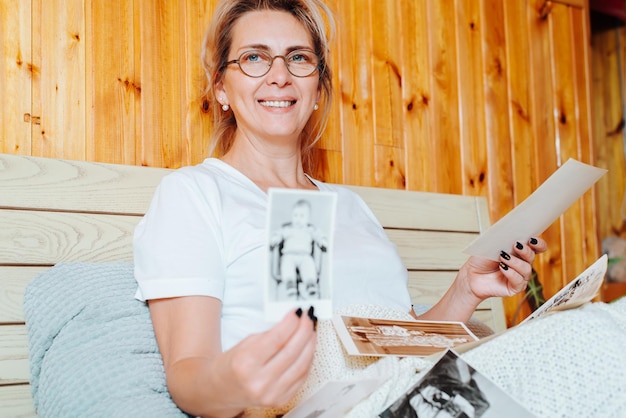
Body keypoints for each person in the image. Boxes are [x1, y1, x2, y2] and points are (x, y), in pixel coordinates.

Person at [132, 1, 546, 417]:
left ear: (316, 90)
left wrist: (466, 290)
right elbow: (187, 375)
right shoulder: (195, 193)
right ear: (221, 87)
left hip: (411, 392)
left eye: (298, 58)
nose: (279, 75)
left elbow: (403, 344)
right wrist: (238, 379)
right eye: (254, 58)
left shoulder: (351, 206)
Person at [269, 198, 327, 300]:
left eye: (302, 216)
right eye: (295, 215)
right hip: (289, 255)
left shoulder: (309, 229)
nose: (298, 219)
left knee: (309, 265)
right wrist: (275, 239)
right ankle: (290, 283)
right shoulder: (288, 229)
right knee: (287, 265)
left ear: (308, 219)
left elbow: (318, 235)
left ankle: (310, 283)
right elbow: (279, 233)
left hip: (305, 255)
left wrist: (322, 241)